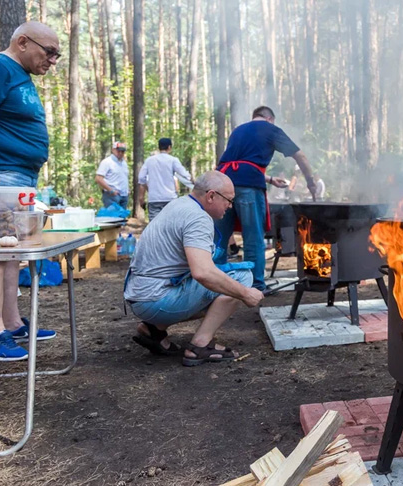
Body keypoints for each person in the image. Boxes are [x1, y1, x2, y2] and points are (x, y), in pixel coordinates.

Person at [124, 171, 264, 366]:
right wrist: (245, 293)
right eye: (229, 200)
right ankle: (200, 346)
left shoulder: (180, 204)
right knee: (242, 278)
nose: (230, 206)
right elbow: (203, 273)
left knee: (224, 282)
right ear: (211, 196)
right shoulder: (198, 218)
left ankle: (154, 329)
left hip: (139, 294)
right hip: (154, 298)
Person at [0, 21, 61, 361]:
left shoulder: (22, 77)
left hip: (19, 179)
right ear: (22, 42)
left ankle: (12, 321)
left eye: (57, 55)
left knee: (11, 255)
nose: (52, 60)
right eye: (49, 52)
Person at [215, 106, 317, 291]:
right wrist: (311, 181)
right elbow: (299, 155)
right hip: (248, 188)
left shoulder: (238, 131)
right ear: (270, 118)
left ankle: (216, 284)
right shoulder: (271, 129)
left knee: (220, 237)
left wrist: (270, 179)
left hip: (222, 184)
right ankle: (254, 285)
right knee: (253, 237)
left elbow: (238, 164)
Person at [137, 137, 193, 221]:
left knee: (154, 226)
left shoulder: (149, 161)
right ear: (169, 147)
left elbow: (141, 178)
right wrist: (195, 182)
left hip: (154, 199)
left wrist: (143, 196)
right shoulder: (173, 160)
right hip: (170, 198)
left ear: (159, 147)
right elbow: (185, 175)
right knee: (170, 225)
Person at [95, 141, 129, 208]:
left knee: (122, 217)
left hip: (124, 195)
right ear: (113, 150)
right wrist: (111, 190)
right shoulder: (107, 162)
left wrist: (127, 190)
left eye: (122, 151)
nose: (120, 153)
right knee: (112, 217)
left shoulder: (124, 163)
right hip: (112, 196)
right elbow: (98, 178)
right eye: (118, 151)